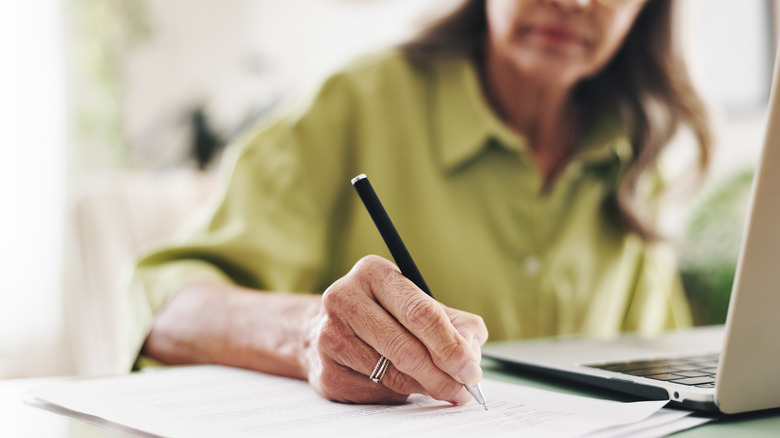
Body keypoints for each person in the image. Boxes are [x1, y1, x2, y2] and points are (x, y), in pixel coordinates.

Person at [128, 0, 712, 407]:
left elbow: (659, 370)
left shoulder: (636, 158)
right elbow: (167, 313)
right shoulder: (354, 106)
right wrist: (307, 333)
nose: (573, 1)